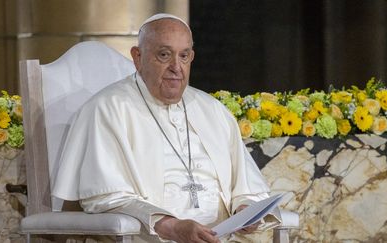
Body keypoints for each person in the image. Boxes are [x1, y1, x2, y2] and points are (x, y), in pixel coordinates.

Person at [52, 13, 281, 243]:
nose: (176, 67)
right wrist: (172, 227)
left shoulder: (213, 110)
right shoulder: (107, 108)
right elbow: (105, 198)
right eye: (164, 55)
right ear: (138, 57)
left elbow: (248, 188)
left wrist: (245, 210)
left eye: (184, 56)